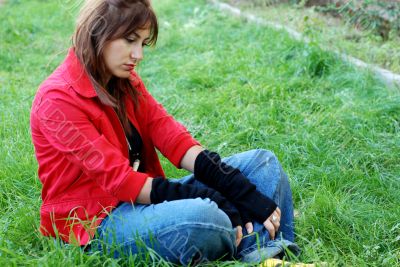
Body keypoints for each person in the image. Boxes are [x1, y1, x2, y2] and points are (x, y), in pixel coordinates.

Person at [30, 0, 300, 265]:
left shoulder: (125, 81)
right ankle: (261, 247)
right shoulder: (57, 101)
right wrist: (216, 198)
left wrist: (238, 190)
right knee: (205, 215)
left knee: (263, 164)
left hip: (144, 199)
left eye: (143, 43)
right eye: (130, 40)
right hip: (97, 222)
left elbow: (175, 141)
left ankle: (259, 252)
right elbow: (121, 181)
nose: (138, 55)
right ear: (98, 33)